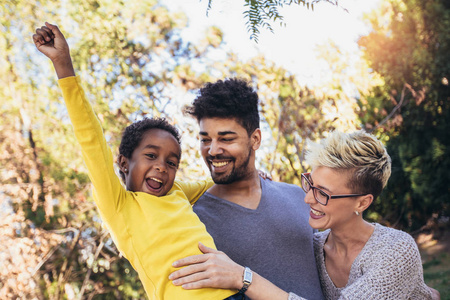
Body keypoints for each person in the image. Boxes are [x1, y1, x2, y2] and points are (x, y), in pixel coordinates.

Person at [32, 22, 238, 300]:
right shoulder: (120, 205)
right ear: (124, 163)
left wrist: (248, 174)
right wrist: (63, 66)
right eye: (151, 156)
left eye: (172, 162)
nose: (161, 167)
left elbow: (209, 184)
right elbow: (90, 140)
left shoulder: (176, 192)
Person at [170, 130, 439, 300]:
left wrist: (243, 278)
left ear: (363, 201)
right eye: (310, 184)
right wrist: (257, 182)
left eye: (323, 193)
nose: (308, 198)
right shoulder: (314, 246)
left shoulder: (396, 250)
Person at [171, 79, 324, 299]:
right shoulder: (193, 220)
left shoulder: (299, 197)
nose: (213, 150)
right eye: (205, 140)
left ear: (255, 139)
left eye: (226, 138)